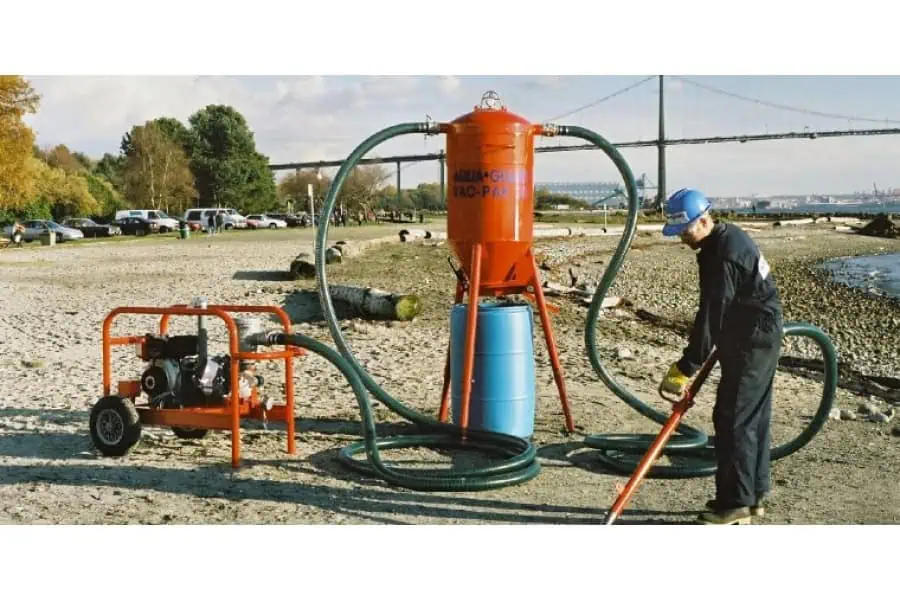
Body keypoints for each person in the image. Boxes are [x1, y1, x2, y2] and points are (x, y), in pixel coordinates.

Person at [658, 188, 783, 525]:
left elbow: (711, 315)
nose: (683, 238)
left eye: (686, 230)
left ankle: (737, 503)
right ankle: (753, 496)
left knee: (733, 419)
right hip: (752, 331)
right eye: (678, 232)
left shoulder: (723, 255)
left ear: (704, 219)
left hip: (752, 338)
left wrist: (686, 366)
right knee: (752, 416)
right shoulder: (720, 241)